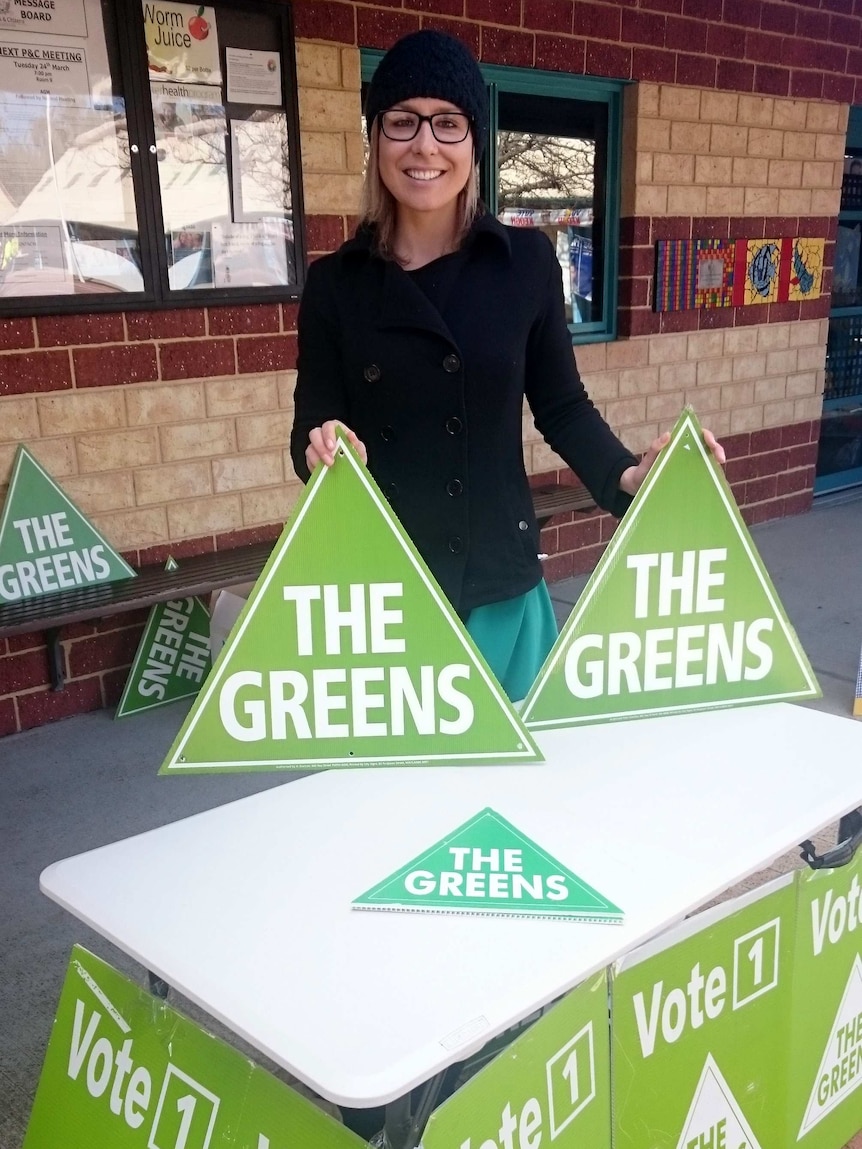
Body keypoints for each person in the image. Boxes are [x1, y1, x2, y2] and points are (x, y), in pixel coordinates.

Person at [290, 29, 724, 702]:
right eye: (402, 121)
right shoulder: (336, 284)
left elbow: (561, 405)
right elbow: (309, 429)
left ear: (474, 142)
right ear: (375, 139)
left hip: (499, 584)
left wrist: (628, 474)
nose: (425, 145)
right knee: (398, 801)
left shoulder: (524, 264)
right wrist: (321, 445)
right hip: (383, 592)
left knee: (510, 794)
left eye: (448, 123)